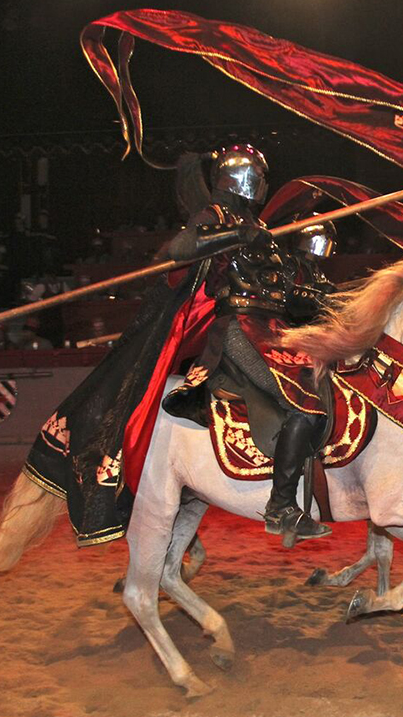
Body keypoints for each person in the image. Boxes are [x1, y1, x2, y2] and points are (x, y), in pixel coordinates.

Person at [164, 145, 336, 544]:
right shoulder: (219, 217)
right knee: (304, 402)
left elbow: (290, 292)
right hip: (238, 328)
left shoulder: (267, 237)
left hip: (274, 329)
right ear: (241, 178)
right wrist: (236, 233)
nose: (261, 185)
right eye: (257, 177)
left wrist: (320, 297)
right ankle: (280, 507)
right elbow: (180, 249)